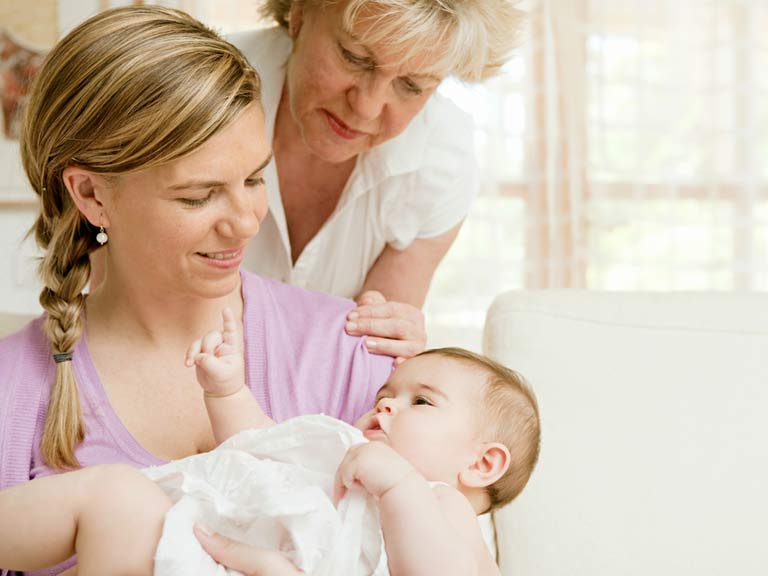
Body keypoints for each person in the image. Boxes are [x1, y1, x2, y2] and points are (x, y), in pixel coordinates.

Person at [0, 6, 424, 575]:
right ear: (91, 195)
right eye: (197, 196)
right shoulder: (16, 393)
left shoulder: (351, 350)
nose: (246, 222)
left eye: (254, 179)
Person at [0, 308, 541, 576]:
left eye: (421, 402)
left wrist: (402, 488)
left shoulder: (442, 505)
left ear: (484, 463)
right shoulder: (345, 454)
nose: (387, 404)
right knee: (114, 493)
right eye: (387, 392)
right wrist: (226, 389)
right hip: (192, 556)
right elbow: (261, 449)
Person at [228, 0, 525, 310]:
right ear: (300, 14)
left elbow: (373, 349)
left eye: (410, 85)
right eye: (355, 58)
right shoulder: (194, 88)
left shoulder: (441, 163)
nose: (366, 107)